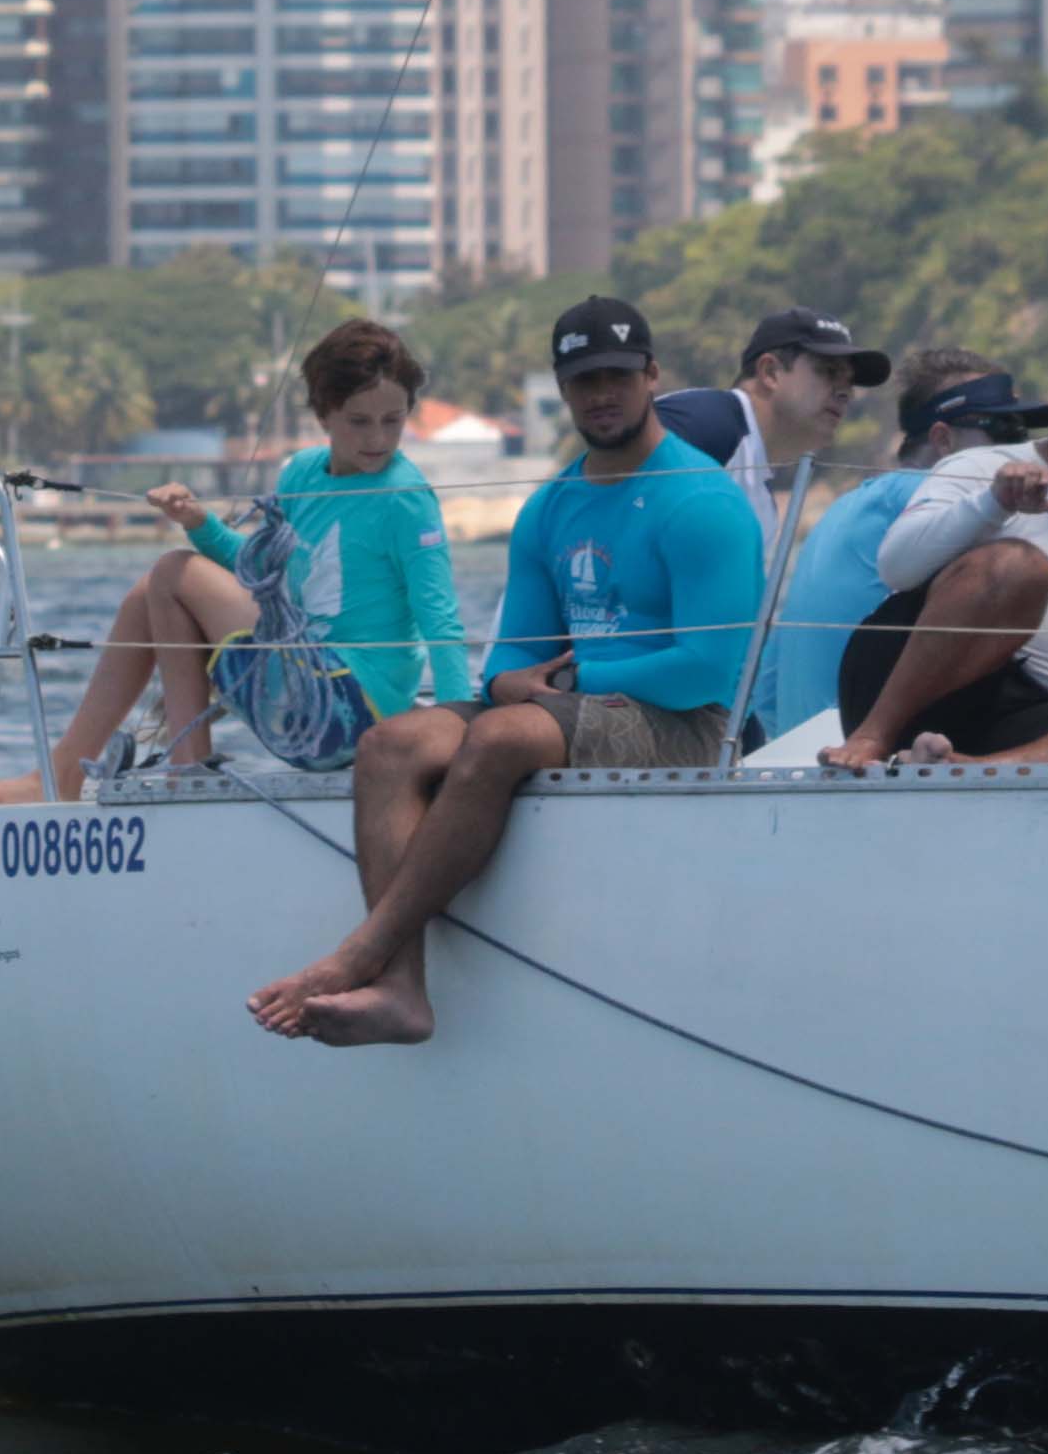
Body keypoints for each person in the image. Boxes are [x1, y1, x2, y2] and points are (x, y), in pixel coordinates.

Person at [247, 296, 761, 1047]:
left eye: (618, 377)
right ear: (563, 389)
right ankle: (401, 990)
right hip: (566, 707)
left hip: (688, 723)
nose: (602, 395)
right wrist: (503, 684)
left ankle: (360, 953)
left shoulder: (702, 499)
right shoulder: (553, 505)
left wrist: (566, 683)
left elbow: (710, 673)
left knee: (503, 735)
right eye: (583, 381)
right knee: (391, 745)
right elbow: (514, 655)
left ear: (652, 375)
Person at [0, 318, 467, 804]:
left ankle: (187, 771)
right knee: (149, 593)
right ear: (323, 414)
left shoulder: (405, 497)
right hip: (306, 691)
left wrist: (456, 730)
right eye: (359, 421)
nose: (378, 438)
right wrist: (197, 520)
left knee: (172, 572)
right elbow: (258, 573)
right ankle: (64, 775)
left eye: (392, 421)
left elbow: (439, 618)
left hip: (353, 711)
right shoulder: (302, 473)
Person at [820, 328, 1048, 771]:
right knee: (1020, 566)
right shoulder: (980, 468)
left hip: (1034, 715)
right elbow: (895, 568)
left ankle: (972, 770)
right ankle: (871, 739)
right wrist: (993, 503)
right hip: (917, 688)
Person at [743, 349, 1026, 751]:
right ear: (943, 440)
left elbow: (768, 691)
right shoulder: (947, 509)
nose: (1019, 449)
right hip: (874, 756)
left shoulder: (840, 509)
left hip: (800, 749)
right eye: (1003, 430)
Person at [655, 306, 888, 575]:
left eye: (850, 382)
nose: (847, 393)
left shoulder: (764, 506)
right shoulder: (706, 423)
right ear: (770, 372)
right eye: (828, 371)